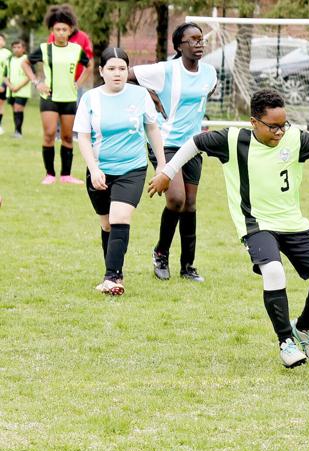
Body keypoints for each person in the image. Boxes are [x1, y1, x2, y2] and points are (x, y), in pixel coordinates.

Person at [148, 89, 309, 368]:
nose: (280, 132)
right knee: (273, 270)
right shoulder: (232, 140)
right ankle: (285, 342)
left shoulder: (293, 138)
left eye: (284, 125)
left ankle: (303, 327)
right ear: (254, 122)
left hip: (293, 222)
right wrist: (167, 172)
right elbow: (195, 143)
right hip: (256, 223)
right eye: (273, 126)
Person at [73, 47, 166, 295]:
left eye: (122, 68)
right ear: (102, 71)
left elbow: (152, 130)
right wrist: (94, 169)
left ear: (128, 70)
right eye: (112, 69)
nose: (118, 73)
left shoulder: (140, 95)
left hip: (132, 168)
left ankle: (112, 278)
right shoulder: (90, 99)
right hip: (100, 170)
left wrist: (162, 165)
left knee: (120, 218)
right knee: (106, 225)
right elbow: (82, 137)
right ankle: (115, 271)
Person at [129, 22, 217, 282]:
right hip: (165, 142)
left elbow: (203, 98)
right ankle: (160, 253)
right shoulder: (165, 70)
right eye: (192, 40)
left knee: (190, 205)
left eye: (201, 39)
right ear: (179, 46)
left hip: (193, 145)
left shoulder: (210, 73)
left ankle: (188, 266)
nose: (198, 44)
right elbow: (127, 74)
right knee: (176, 199)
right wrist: (151, 96)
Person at [21, 6, 90, 185]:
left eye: (64, 29)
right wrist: (37, 83)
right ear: (52, 30)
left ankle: (66, 175)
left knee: (68, 137)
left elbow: (89, 65)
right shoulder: (44, 49)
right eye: (57, 29)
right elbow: (26, 63)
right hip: (49, 99)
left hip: (69, 99)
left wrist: (79, 83)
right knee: (49, 135)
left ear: (70, 31)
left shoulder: (76, 49)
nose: (60, 33)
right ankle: (50, 174)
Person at [46, 4, 94, 93]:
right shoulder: (53, 36)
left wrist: (78, 84)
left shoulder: (83, 38)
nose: (60, 31)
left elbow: (90, 64)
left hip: (74, 84)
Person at [5, 39, 31, 138]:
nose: (16, 49)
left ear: (24, 49)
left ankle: (18, 132)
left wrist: (18, 87)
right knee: (15, 110)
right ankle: (16, 130)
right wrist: (10, 86)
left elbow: (30, 76)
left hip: (22, 91)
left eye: (19, 47)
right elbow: (5, 76)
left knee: (18, 108)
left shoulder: (27, 59)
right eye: (14, 47)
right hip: (11, 91)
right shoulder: (9, 59)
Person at [0, 34, 11, 135]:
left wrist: (4, 85)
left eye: (1, 40)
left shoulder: (8, 54)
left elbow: (9, 71)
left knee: (0, 104)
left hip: (1, 84)